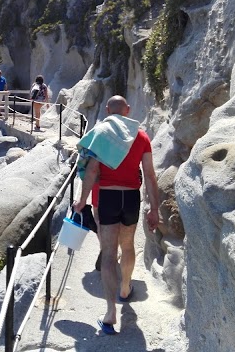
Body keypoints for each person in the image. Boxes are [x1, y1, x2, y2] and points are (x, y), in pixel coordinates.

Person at [73, 95, 159, 335]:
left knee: (109, 254)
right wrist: (155, 208)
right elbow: (150, 175)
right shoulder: (141, 137)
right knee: (128, 246)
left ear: (108, 110)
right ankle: (124, 289)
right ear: (128, 110)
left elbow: (91, 171)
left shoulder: (102, 134)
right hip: (131, 197)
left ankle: (110, 313)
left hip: (108, 198)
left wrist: (82, 200)